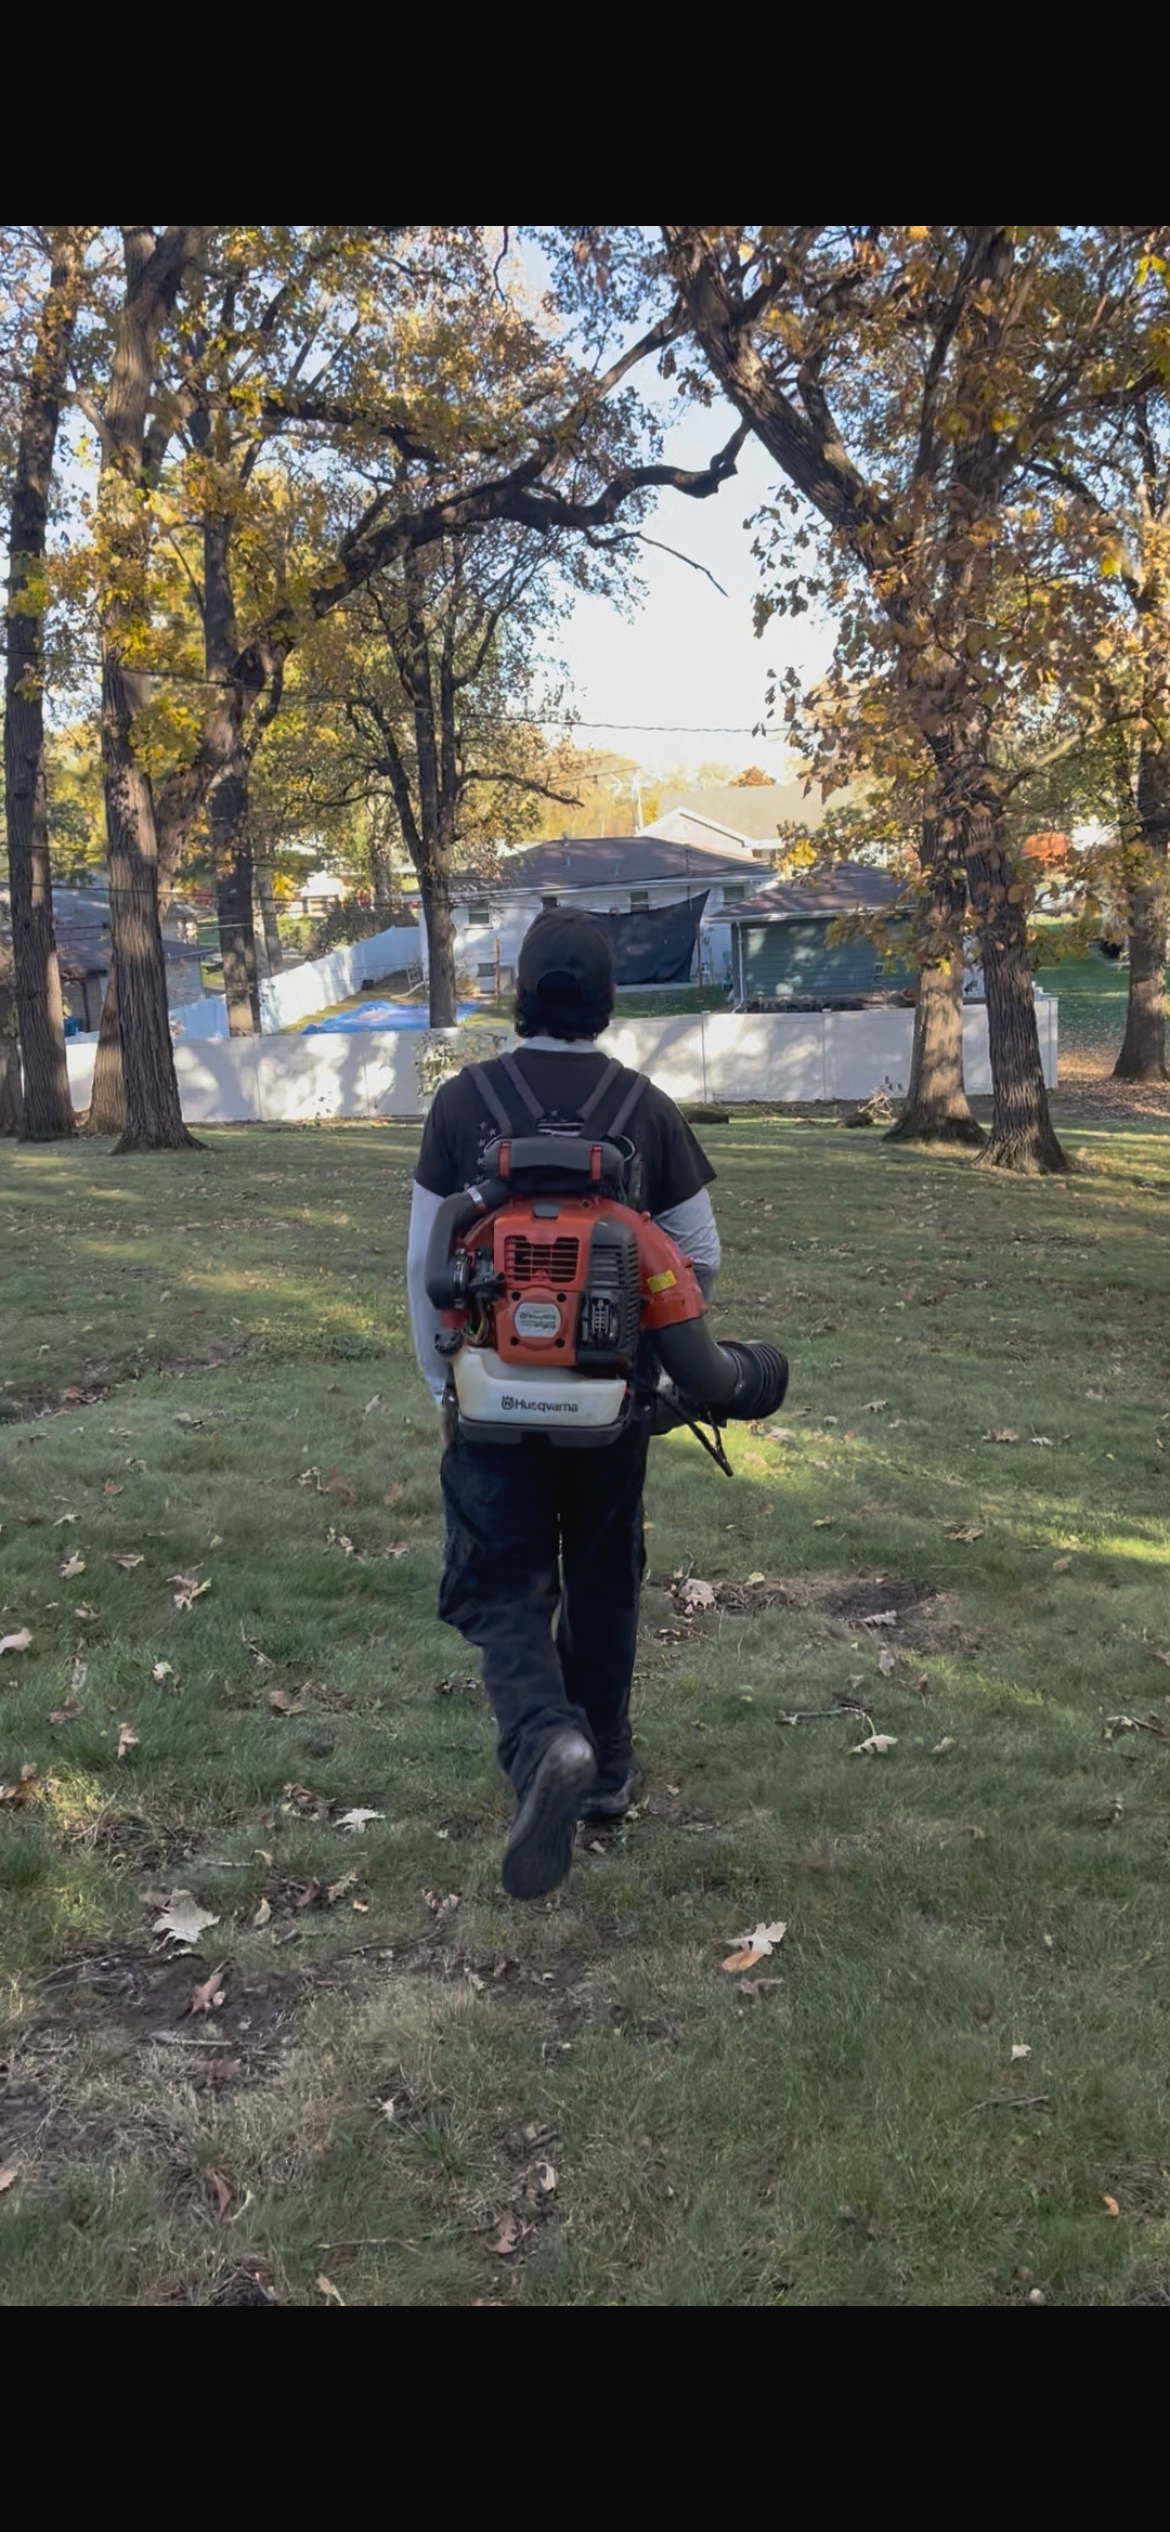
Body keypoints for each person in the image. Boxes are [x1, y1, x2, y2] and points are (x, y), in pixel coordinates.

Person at [407, 910, 721, 1901]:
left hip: (491, 1401)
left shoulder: (465, 1103)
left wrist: (439, 1385)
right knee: (602, 1578)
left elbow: (424, 1266)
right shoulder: (645, 1107)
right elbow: (698, 1257)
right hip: (611, 1402)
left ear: (521, 987)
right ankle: (608, 1772)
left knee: (497, 1586)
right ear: (607, 998)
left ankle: (546, 1740)